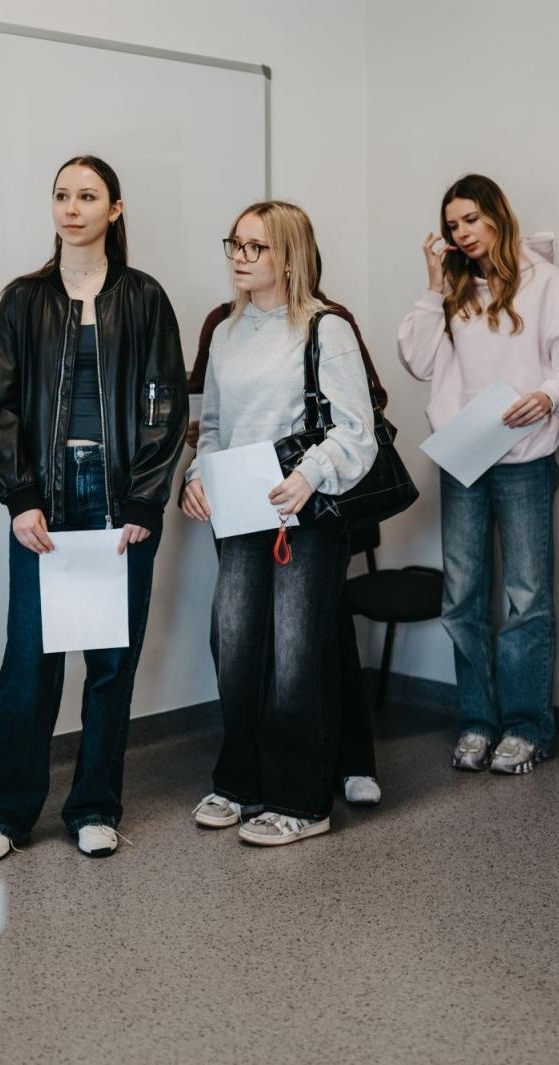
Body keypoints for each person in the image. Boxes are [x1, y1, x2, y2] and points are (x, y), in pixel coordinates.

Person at [0, 156, 188, 863]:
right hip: (48, 494)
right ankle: (5, 813)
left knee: (109, 661)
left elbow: (165, 405)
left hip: (118, 498)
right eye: (62, 195)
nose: (72, 207)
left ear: (114, 210)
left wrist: (144, 499)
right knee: (29, 662)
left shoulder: (146, 297)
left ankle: (95, 806)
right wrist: (20, 495)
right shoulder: (24, 299)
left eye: (87, 196)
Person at [181, 201, 377, 846]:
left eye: (254, 247)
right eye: (234, 244)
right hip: (238, 513)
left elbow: (358, 431)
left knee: (295, 660)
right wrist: (195, 478)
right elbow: (210, 427)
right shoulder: (225, 331)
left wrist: (308, 476)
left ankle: (302, 801)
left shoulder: (326, 328)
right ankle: (241, 783)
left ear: (288, 256)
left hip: (304, 514)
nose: (239, 257)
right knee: (233, 647)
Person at [398, 174, 559, 775]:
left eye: (469, 220)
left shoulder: (543, 282)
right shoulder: (454, 289)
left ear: (495, 216)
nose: (461, 233)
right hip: (464, 457)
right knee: (461, 597)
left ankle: (526, 726)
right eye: (452, 224)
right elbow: (417, 360)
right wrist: (434, 287)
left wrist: (546, 396)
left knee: (525, 598)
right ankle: (476, 721)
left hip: (523, 459)